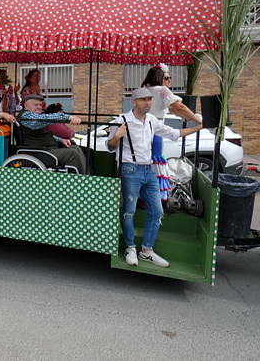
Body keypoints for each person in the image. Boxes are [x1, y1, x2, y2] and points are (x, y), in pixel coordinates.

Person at [107, 87, 203, 268]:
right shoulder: (122, 120)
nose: (148, 103)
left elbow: (174, 134)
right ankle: (130, 247)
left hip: (149, 171)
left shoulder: (152, 120)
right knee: (129, 211)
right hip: (130, 169)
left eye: (150, 99)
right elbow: (110, 146)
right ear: (134, 102)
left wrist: (198, 126)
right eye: (143, 100)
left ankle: (147, 251)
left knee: (157, 211)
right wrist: (116, 137)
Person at [142, 64, 202, 200]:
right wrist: (198, 120)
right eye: (167, 77)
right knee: (156, 163)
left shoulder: (144, 89)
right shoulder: (162, 90)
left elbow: (174, 109)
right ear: (160, 78)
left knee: (144, 163)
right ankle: (153, 197)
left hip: (141, 131)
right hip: (156, 132)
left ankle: (142, 197)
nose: (170, 81)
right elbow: (178, 107)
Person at [17, 94, 88, 174]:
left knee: (76, 148)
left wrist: (60, 140)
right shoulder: (26, 116)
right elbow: (43, 119)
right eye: (35, 105)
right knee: (72, 154)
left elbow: (45, 133)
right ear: (26, 106)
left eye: (40, 105)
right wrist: (67, 117)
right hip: (39, 151)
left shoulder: (37, 115)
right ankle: (79, 180)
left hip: (47, 148)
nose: (39, 107)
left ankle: (87, 176)